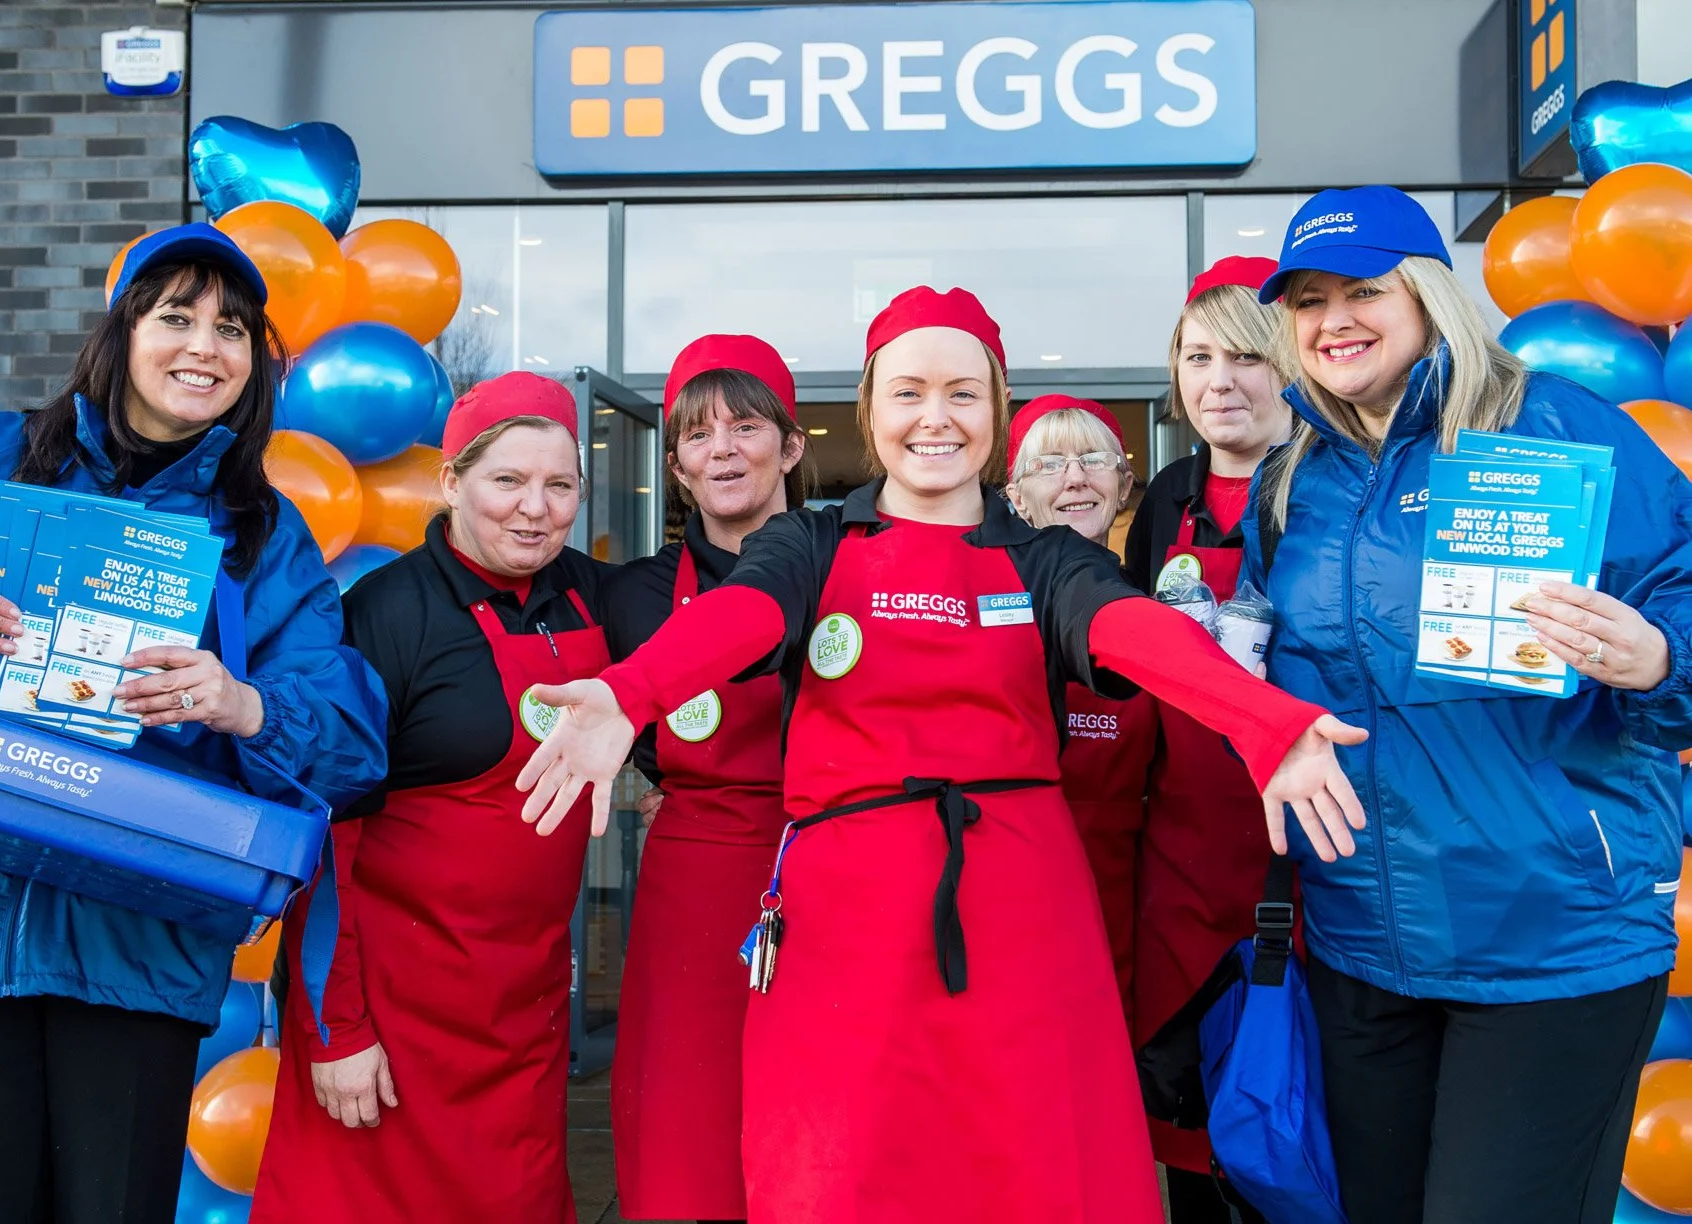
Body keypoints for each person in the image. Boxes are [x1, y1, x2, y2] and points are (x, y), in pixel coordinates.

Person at [516, 286, 1369, 1223]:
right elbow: (744, 615)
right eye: (910, 392)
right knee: (844, 1171)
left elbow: (1128, 627)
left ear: (996, 414)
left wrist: (1256, 714)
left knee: (1033, 1171)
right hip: (845, 924)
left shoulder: (1042, 556)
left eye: (963, 394)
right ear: (872, 411)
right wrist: (629, 690)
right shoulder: (814, 541)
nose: (936, 418)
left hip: (1024, 916)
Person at [0, 223, 388, 1223]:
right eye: (178, 316)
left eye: (234, 328)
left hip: (140, 949)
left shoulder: (264, 534)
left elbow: (349, 738)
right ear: (121, 331)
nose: (206, 344)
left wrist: (243, 704)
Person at [1245, 185, 1691, 1224]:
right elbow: (1282, 671)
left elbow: (1679, 578)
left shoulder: (1552, 425)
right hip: (1364, 941)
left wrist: (1662, 653)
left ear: (1429, 295)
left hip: (1551, 936)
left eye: (1365, 289)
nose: (1334, 320)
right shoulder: (1291, 481)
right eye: (1307, 301)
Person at [253, 371, 612, 1224]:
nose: (535, 509)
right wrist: (335, 1029)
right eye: (507, 481)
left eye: (559, 485)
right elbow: (323, 838)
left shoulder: (587, 595)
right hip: (392, 1026)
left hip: (520, 1019)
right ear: (451, 482)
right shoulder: (385, 614)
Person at [604, 334, 809, 1223]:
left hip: (827, 864)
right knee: (685, 1116)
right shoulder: (631, 596)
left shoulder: (848, 567)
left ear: (791, 446)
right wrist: (633, 788)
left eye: (746, 425)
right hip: (692, 876)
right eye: (697, 434)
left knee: (814, 1112)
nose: (722, 448)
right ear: (678, 467)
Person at [1123, 256, 1288, 1221]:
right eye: (1197, 358)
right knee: (1190, 1127)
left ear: (1288, 367)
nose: (1219, 380)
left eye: (1244, 356)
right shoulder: (1166, 501)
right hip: (1182, 857)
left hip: (1303, 859)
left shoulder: (1330, 487)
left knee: (1296, 1117)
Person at [1003, 394, 1156, 1027]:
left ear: (1123, 484)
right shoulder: (981, 611)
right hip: (1011, 898)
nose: (1074, 478)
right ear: (1015, 494)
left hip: (1136, 906)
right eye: (1050, 464)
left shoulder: (1157, 614)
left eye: (1093, 459)